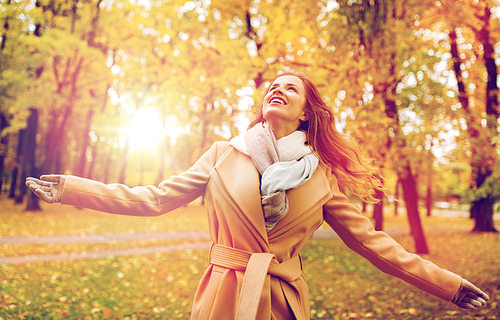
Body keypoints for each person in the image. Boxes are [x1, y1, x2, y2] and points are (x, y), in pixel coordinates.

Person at [26, 72, 489, 320]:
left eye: (291, 87)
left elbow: (374, 244)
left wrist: (448, 286)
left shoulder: (322, 178)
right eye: (273, 85)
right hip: (225, 296)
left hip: (284, 300)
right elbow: (151, 198)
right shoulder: (222, 155)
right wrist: (73, 189)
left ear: (307, 112)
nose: (278, 89)